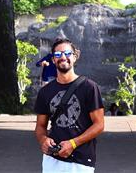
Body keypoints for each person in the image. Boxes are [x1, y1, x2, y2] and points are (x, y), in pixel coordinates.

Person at [34, 38, 105, 172]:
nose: (63, 57)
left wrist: (73, 143)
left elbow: (99, 124)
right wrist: (43, 139)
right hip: (52, 159)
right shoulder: (45, 92)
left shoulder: (89, 87)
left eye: (67, 53)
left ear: (74, 57)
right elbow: (40, 126)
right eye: (58, 54)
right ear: (53, 60)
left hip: (80, 160)